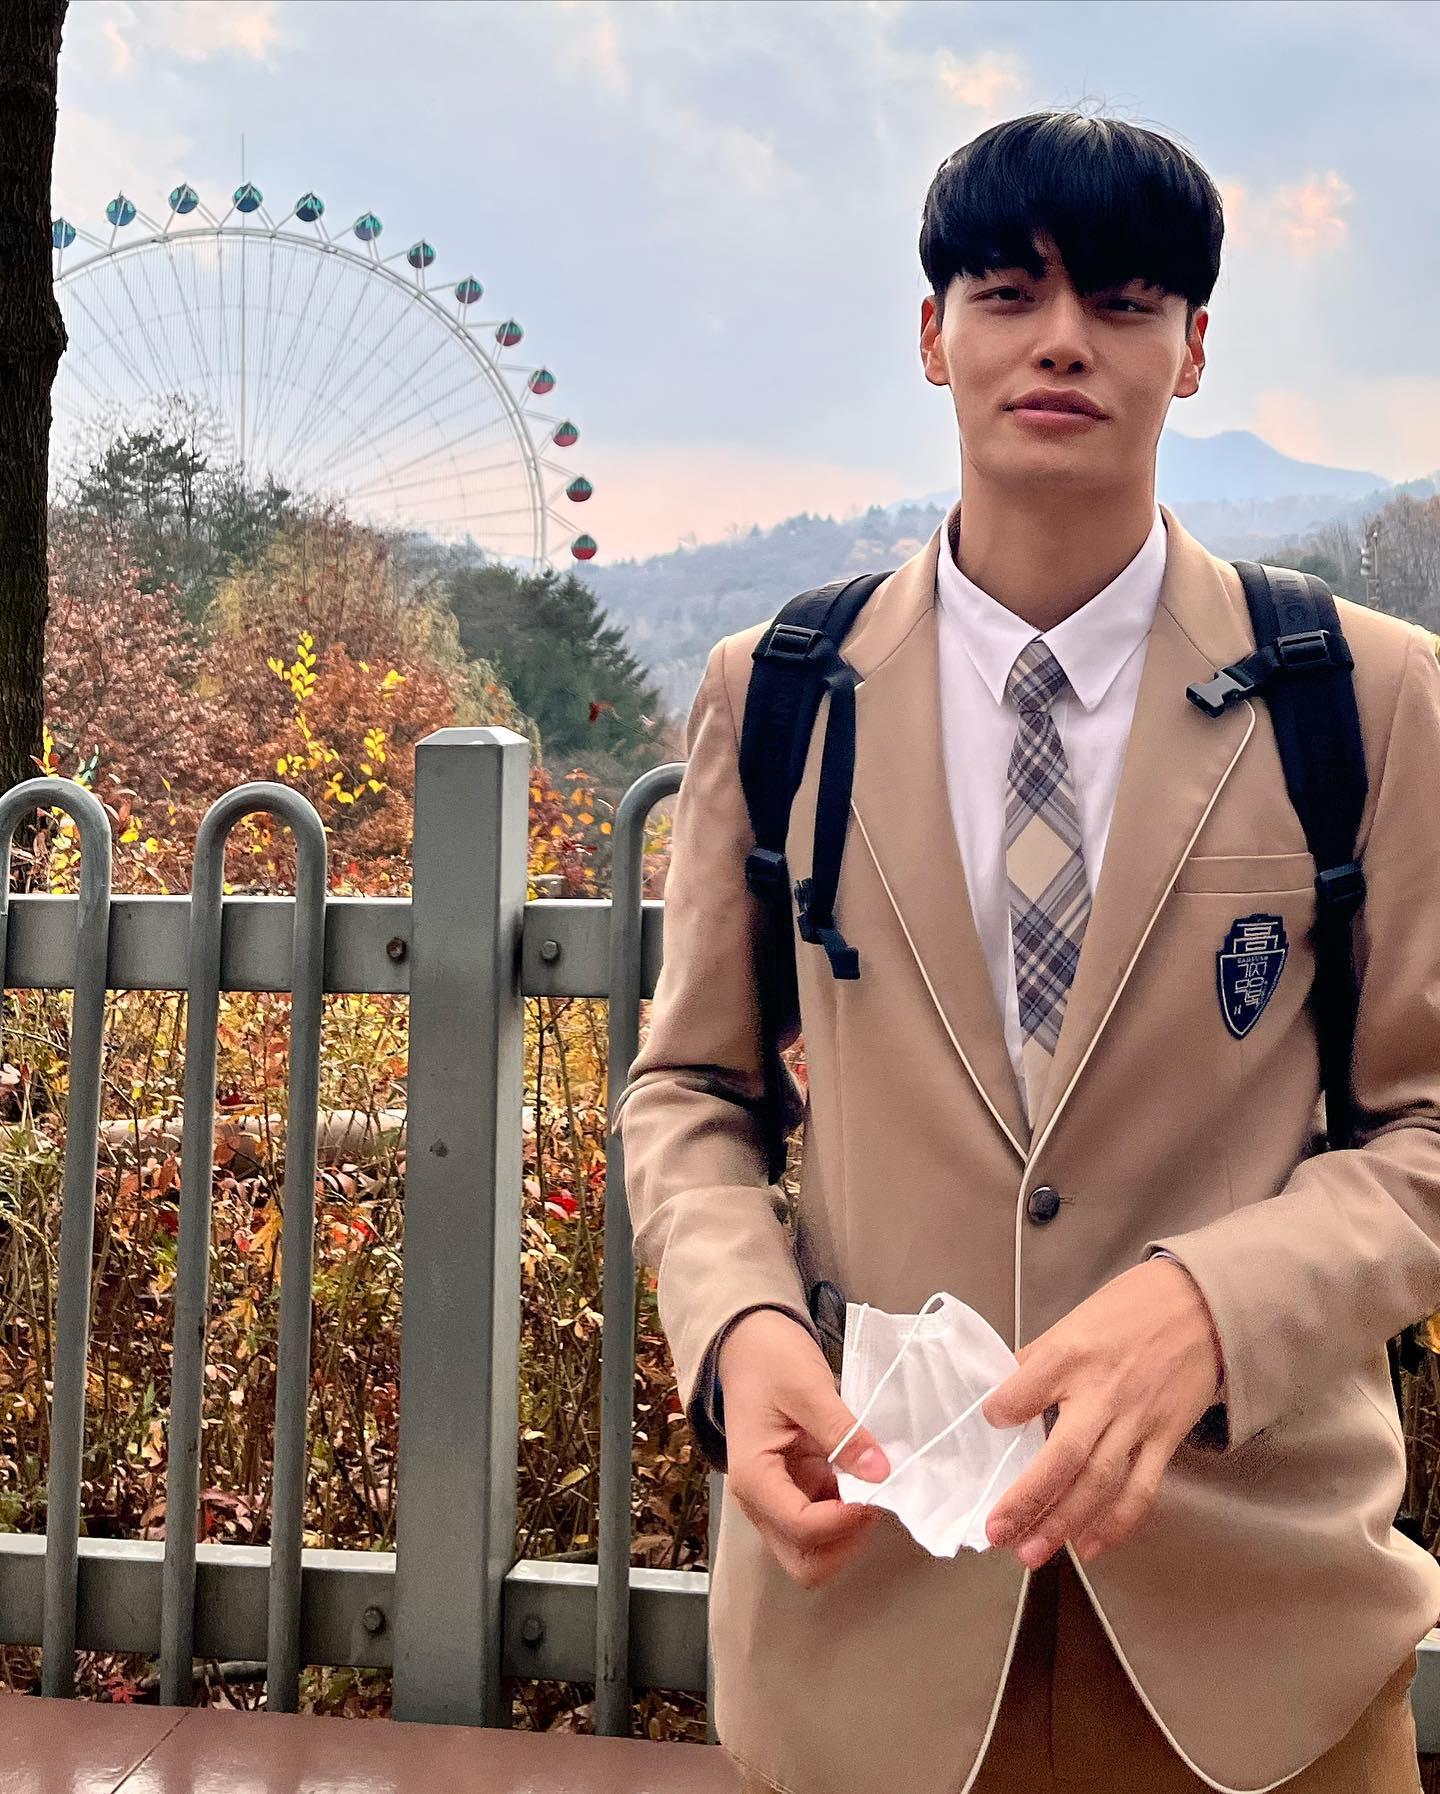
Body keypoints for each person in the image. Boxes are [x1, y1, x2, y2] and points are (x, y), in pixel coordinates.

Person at [610, 108, 1440, 1794]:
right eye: (1007, 292)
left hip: (1263, 1633)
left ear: (1193, 350)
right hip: (868, 1614)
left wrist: (1216, 1306)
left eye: (1124, 301)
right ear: (934, 335)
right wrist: (738, 1329)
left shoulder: (1363, 697)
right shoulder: (780, 698)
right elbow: (689, 1088)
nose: (1063, 339)